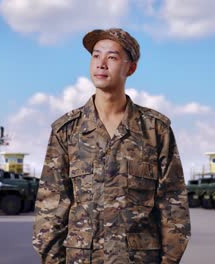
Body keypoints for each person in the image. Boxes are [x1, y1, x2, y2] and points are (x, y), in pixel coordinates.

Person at [33, 28, 190, 264]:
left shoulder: (156, 130)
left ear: (131, 68)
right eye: (96, 56)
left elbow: (172, 205)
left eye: (112, 57)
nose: (101, 64)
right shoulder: (66, 131)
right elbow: (50, 208)